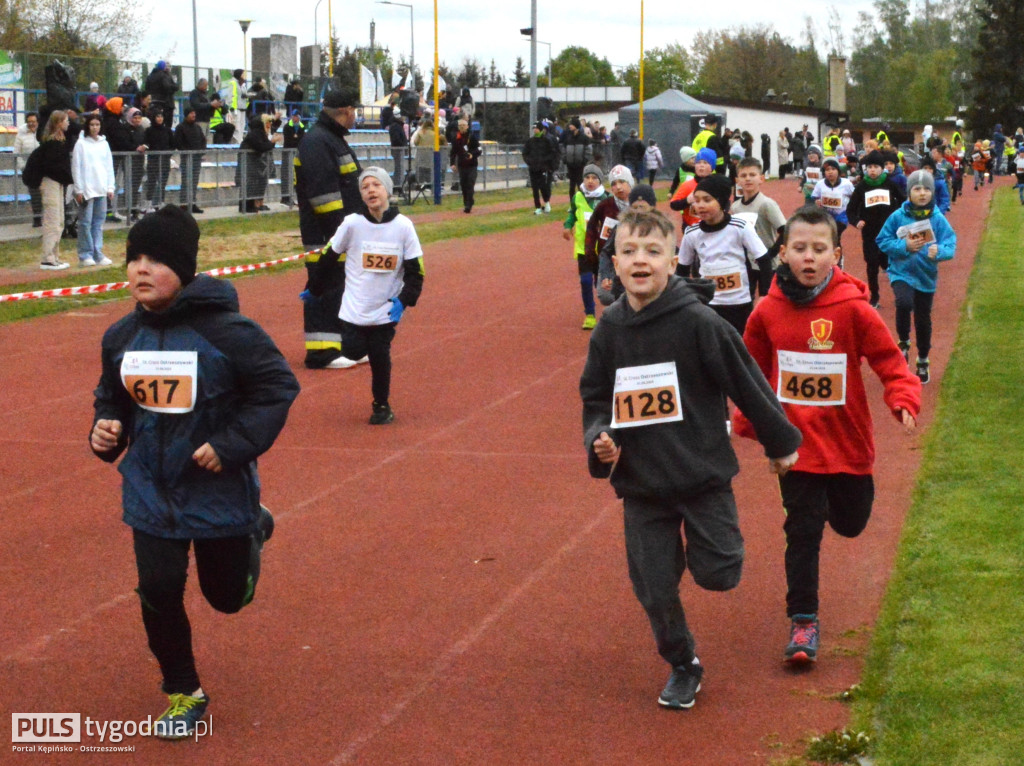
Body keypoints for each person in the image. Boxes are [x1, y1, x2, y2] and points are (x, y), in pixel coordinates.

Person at [89, 204, 299, 740]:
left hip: (218, 487)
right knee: (157, 587)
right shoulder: (120, 337)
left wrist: (230, 445)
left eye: (155, 260)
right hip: (150, 489)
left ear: (184, 269)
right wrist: (106, 428)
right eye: (133, 257)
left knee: (227, 599)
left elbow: (276, 388)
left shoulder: (230, 333)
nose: (139, 269)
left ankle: (255, 526)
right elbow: (111, 399)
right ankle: (183, 690)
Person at [580, 208, 801, 709]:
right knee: (655, 591)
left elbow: (746, 382)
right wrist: (600, 437)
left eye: (653, 252)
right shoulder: (609, 330)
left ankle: (705, 551)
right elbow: (596, 398)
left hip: (702, 476)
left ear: (672, 261)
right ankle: (683, 663)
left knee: (720, 575)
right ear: (614, 262)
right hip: (641, 484)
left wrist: (781, 442)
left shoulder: (699, 322)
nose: (641, 261)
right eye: (630, 251)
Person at [736, 206, 920, 666]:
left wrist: (901, 395)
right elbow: (750, 370)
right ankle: (803, 619)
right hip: (795, 448)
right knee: (802, 530)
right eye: (799, 248)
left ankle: (838, 512)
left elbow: (888, 359)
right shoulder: (767, 312)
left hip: (848, 441)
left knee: (850, 523)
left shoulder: (853, 309)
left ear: (836, 255)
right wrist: (749, 421)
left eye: (819, 249)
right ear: (784, 252)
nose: (809, 257)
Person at [309, 168, 424, 424]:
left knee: (380, 357)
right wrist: (313, 287)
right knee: (352, 350)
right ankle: (362, 353)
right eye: (365, 187)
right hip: (354, 310)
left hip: (385, 310)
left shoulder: (404, 227)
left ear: (387, 191)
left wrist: (403, 301)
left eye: (376, 185)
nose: (371, 190)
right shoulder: (352, 223)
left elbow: (417, 272)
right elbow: (328, 257)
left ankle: (381, 405)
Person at [294, 87, 365, 369]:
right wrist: (341, 235)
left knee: (341, 288)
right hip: (327, 235)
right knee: (326, 287)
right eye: (354, 111)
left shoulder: (331, 140)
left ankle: (341, 346)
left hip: (339, 233)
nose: (355, 116)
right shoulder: (318, 142)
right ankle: (322, 352)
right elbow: (324, 197)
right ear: (346, 111)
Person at [876, 171, 957, 384]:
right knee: (903, 303)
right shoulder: (897, 216)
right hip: (901, 272)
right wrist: (904, 246)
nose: (922, 193)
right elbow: (882, 240)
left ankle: (922, 359)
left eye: (927, 189)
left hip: (926, 276)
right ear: (909, 193)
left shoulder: (938, 219)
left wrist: (938, 252)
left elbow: (950, 244)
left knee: (923, 319)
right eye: (917, 189)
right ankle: (903, 342)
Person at [677, 173, 766, 336]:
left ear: (722, 202)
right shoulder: (691, 233)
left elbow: (764, 259)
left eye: (707, 200)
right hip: (708, 305)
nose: (700, 205)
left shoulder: (740, 227)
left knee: (741, 348)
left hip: (739, 303)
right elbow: (682, 269)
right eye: (697, 200)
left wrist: (764, 295)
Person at [846, 149, 905, 308]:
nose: (872, 170)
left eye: (875, 167)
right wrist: (856, 221)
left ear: (882, 168)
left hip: (888, 233)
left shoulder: (890, 184)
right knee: (871, 264)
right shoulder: (862, 186)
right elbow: (851, 210)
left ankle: (902, 295)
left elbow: (903, 201)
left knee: (889, 264)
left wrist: (898, 217)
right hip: (870, 233)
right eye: (869, 167)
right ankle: (874, 296)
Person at [562, 164, 609, 330]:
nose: (590, 181)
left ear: (600, 181)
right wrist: (567, 227)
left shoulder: (606, 199)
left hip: (602, 250)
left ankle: (611, 313)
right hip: (584, 248)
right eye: (587, 178)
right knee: (585, 280)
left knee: (602, 284)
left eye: (594, 178)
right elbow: (572, 214)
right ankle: (589, 314)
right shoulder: (577, 197)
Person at [731, 157, 786, 298]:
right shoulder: (735, 207)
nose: (748, 179)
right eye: (743, 175)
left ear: (761, 179)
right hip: (746, 263)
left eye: (752, 175)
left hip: (767, 264)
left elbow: (785, 231)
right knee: (744, 298)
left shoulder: (766, 204)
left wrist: (770, 254)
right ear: (737, 180)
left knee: (767, 299)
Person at [597, 183, 657, 305]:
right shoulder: (621, 228)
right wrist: (606, 275)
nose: (639, 211)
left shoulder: (661, 229)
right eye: (635, 207)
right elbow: (606, 252)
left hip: (651, 280)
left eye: (643, 207)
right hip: (625, 283)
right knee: (610, 300)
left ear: (652, 207)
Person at [71, 113, 115, 267]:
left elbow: (109, 166)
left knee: (98, 223)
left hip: (101, 189)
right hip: (87, 190)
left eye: (97, 125)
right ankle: (85, 254)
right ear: (87, 126)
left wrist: (110, 186)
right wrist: (79, 190)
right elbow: (76, 168)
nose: (95, 128)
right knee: (85, 223)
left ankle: (98, 252)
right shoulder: (81, 144)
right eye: (92, 125)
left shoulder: (104, 144)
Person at [37, 110, 73, 270]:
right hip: (50, 182)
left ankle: (54, 256)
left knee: (60, 220)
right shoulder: (51, 143)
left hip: (58, 183)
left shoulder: (61, 141)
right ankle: (47, 258)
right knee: (52, 220)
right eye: (65, 121)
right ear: (58, 123)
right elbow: (51, 166)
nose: (68, 123)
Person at [236, 114, 280, 213]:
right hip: (248, 162)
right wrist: (272, 142)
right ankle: (246, 206)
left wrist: (272, 142)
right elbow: (261, 147)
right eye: (268, 122)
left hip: (254, 162)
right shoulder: (255, 133)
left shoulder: (261, 133)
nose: (270, 124)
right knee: (248, 184)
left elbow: (265, 146)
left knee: (254, 184)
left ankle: (252, 205)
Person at [810, 157, 855, 245]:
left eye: (833, 169)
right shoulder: (820, 184)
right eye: (827, 170)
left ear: (838, 171)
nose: (830, 172)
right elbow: (815, 197)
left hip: (842, 214)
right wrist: (817, 201)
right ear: (824, 172)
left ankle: (838, 256)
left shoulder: (846, 183)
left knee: (836, 233)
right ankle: (833, 253)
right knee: (828, 236)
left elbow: (854, 197)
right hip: (826, 214)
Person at [174, 106, 207, 214]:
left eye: (194, 113)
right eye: (191, 113)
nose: (193, 115)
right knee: (186, 182)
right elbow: (178, 143)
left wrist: (201, 152)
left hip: (197, 159)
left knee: (194, 182)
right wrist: (187, 152)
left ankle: (192, 203)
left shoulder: (197, 127)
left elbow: (203, 140)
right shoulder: (180, 127)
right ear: (186, 114)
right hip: (186, 158)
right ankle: (184, 205)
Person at [522, 120, 558, 214]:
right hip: (533, 168)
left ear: (541, 129)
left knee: (544, 187)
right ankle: (537, 206)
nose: (535, 130)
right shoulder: (530, 141)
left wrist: (545, 162)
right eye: (534, 128)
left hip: (543, 168)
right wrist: (529, 161)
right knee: (535, 188)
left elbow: (552, 153)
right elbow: (525, 153)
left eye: (537, 128)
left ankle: (546, 203)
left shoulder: (546, 141)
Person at [14, 112, 42, 227]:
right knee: (34, 194)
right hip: (30, 169)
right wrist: (22, 167)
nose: (31, 124)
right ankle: (37, 218)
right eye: (29, 121)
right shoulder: (21, 135)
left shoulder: (42, 133)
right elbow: (16, 152)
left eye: (33, 121)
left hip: (43, 169)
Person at [449, 118, 481, 213]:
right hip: (462, 165)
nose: (462, 127)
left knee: (470, 184)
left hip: (472, 165)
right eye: (460, 126)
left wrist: (472, 154)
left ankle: (468, 204)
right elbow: (453, 152)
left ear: (467, 126)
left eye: (463, 125)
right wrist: (452, 163)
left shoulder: (472, 137)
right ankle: (467, 201)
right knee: (463, 184)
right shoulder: (456, 138)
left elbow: (479, 149)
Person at [144, 109, 174, 211]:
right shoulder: (149, 130)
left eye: (161, 116)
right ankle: (149, 203)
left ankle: (161, 202)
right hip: (153, 160)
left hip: (165, 160)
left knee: (163, 182)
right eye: (157, 116)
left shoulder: (167, 130)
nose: (160, 118)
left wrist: (168, 155)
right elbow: (146, 143)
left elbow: (172, 144)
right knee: (152, 182)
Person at [411, 114, 446, 191]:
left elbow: (415, 142)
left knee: (421, 170)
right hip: (432, 153)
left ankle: (420, 185)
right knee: (430, 170)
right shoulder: (435, 134)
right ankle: (429, 185)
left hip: (421, 154)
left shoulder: (420, 132)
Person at [563, 118, 594, 199]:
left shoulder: (584, 138)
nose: (570, 126)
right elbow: (564, 149)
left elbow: (589, 150)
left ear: (576, 126)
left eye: (572, 124)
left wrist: (584, 160)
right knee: (571, 186)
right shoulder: (568, 138)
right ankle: (572, 203)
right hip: (570, 165)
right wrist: (565, 159)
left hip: (580, 165)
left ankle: (582, 202)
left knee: (580, 185)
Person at [281, 111, 305, 207]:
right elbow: (289, 140)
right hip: (288, 153)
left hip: (297, 153)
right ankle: (285, 197)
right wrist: (296, 139)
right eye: (294, 116)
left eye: (297, 116)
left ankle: (295, 197)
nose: (295, 118)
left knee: (297, 176)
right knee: (287, 175)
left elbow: (301, 139)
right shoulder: (287, 126)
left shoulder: (302, 127)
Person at [145, 61, 178, 125]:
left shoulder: (150, 76)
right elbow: (167, 87)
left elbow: (147, 89)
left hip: (152, 101)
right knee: (167, 123)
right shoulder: (164, 75)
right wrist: (174, 88)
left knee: (154, 122)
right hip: (165, 103)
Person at [388, 114, 409, 190]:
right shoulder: (396, 126)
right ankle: (398, 185)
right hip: (398, 150)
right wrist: (402, 144)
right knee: (398, 168)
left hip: (399, 149)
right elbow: (396, 139)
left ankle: (398, 184)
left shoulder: (397, 126)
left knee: (399, 168)